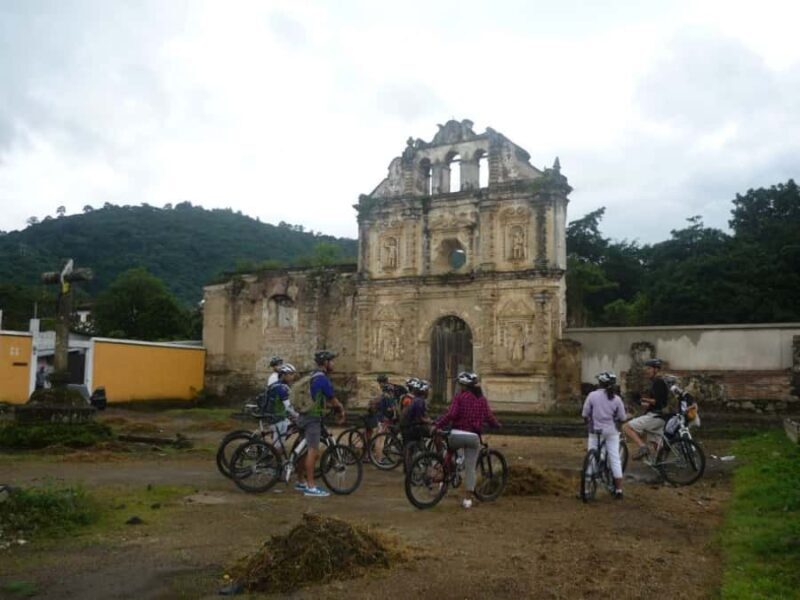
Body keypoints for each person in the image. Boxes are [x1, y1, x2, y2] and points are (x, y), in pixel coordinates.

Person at [434, 371, 501, 509]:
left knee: (450, 452)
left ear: (463, 386)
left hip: (456, 435)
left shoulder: (459, 398)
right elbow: (489, 417)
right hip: (473, 437)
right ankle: (467, 500)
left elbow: (451, 415)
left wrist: (437, 425)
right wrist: (497, 425)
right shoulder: (482, 400)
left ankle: (445, 476)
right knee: (470, 468)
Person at [295, 350, 346, 498]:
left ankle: (300, 480)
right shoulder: (322, 378)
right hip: (312, 418)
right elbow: (332, 398)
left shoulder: (311, 376)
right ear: (325, 363)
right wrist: (340, 410)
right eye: (331, 361)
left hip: (304, 415)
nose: (333, 364)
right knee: (313, 451)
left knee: (303, 450)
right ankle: (311, 487)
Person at [582, 371, 627, 499]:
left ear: (599, 383)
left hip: (595, 431)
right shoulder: (617, 399)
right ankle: (618, 490)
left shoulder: (592, 395)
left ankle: (586, 489)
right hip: (611, 432)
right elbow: (622, 417)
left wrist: (588, 424)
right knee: (615, 458)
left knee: (591, 456)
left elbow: (585, 414)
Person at [624, 358, 670, 460]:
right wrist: (641, 402)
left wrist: (642, 398)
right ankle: (661, 463)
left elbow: (657, 401)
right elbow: (656, 403)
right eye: (646, 368)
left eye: (649, 368)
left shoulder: (658, 382)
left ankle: (643, 447)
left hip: (655, 416)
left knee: (626, 427)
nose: (646, 370)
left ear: (656, 369)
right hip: (660, 416)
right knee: (656, 443)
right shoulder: (657, 382)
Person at [264, 363, 299, 452]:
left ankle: (274, 451)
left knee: (287, 429)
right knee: (278, 447)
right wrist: (298, 415)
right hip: (276, 417)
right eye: (290, 374)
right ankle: (274, 461)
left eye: (293, 374)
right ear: (283, 375)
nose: (293, 377)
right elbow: (288, 407)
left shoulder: (280, 385)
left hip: (276, 415)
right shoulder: (281, 388)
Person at [400, 378, 432, 459]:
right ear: (424, 391)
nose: (429, 392)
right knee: (436, 432)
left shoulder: (415, 400)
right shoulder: (419, 401)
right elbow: (420, 418)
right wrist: (430, 422)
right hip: (412, 427)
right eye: (427, 390)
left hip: (407, 426)